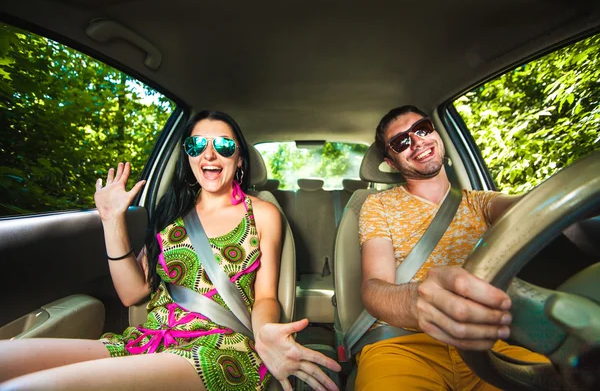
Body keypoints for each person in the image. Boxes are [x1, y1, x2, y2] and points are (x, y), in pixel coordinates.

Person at [0, 110, 341, 391]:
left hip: (217, 349)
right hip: (147, 340)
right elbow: (132, 292)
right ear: (189, 157)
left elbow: (266, 296)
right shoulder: (170, 212)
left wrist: (266, 331)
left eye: (223, 144)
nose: (209, 154)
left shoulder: (263, 214)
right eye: (197, 145)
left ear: (239, 160)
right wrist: (111, 220)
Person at [355, 105, 548, 390]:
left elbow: (530, 208)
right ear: (392, 162)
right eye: (401, 142)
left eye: (422, 129)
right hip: (402, 346)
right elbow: (374, 287)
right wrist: (419, 300)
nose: (417, 141)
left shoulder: (481, 201)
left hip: (486, 345)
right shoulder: (378, 205)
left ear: (435, 133)